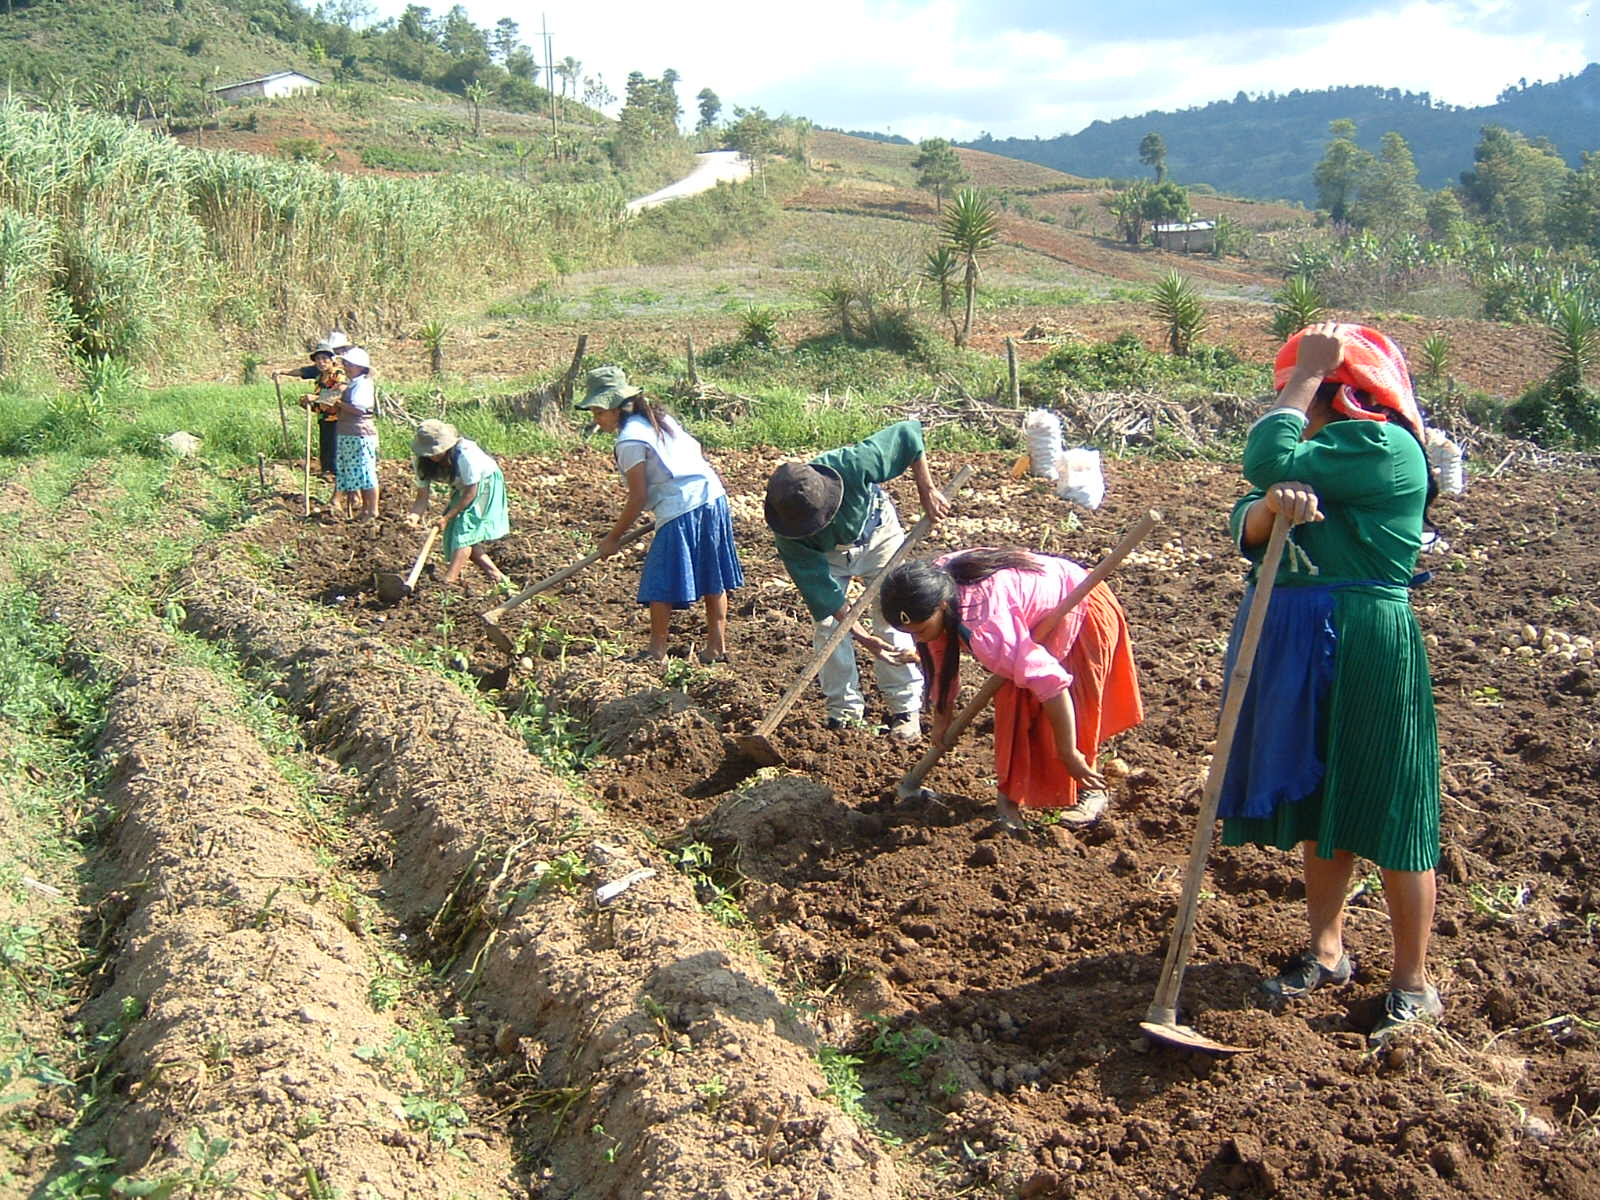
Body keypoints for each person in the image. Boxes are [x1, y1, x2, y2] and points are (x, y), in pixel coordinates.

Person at [1219, 320, 1442, 1046]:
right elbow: (1243, 514)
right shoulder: (1321, 456)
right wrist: (1265, 509)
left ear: (1344, 392)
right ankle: (1327, 950)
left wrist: (1308, 371)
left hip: (1363, 637)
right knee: (1323, 797)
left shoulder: (1381, 446)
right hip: (1300, 633)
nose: (1294, 400)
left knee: (1393, 805)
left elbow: (1263, 453)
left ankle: (1412, 984)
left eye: (1304, 388)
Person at [881, 549, 1143, 827]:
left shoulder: (987, 630)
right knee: (1014, 706)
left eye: (920, 630)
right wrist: (941, 718)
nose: (916, 639)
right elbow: (939, 656)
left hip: (1078, 602)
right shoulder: (929, 587)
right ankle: (1008, 801)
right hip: (1029, 614)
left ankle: (1090, 789)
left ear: (943, 606)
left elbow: (1053, 685)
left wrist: (1068, 752)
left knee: (1074, 710)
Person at [764, 421, 949, 740]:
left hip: (878, 534)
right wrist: (865, 640)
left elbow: (909, 434)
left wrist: (927, 489)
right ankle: (845, 715)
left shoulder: (852, 464)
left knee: (894, 619)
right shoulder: (788, 531)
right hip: (828, 557)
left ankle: (905, 709)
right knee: (829, 628)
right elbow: (827, 598)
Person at [577, 366, 743, 662]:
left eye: (598, 411)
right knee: (711, 574)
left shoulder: (629, 440)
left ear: (616, 409)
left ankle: (657, 650)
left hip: (682, 505)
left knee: (660, 579)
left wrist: (612, 538)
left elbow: (638, 496)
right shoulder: (657, 419)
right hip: (711, 496)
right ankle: (716, 648)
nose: (596, 419)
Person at [407, 420, 510, 587]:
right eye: (429, 453)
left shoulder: (465, 454)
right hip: (463, 487)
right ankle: (495, 574)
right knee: (459, 531)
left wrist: (446, 517)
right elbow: (422, 496)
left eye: (438, 451)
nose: (433, 456)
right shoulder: (421, 462)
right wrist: (413, 516)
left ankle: (449, 581)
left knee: (464, 532)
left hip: (484, 483)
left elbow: (471, 492)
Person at [271, 341, 344, 477]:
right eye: (318, 360)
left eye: (324, 359)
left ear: (332, 360)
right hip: (324, 416)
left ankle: (336, 476)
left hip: (338, 417)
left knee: (334, 447)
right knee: (325, 446)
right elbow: (301, 371)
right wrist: (281, 371)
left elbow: (338, 394)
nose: (321, 362)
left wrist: (315, 398)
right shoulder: (319, 372)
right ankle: (326, 472)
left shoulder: (338, 374)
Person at [333, 347, 379, 522]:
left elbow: (360, 410)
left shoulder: (362, 384)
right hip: (349, 431)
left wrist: (338, 403)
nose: (346, 367)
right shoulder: (354, 383)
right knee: (356, 471)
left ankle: (372, 510)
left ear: (360, 367)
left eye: (349, 364)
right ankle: (365, 510)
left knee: (365, 471)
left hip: (359, 432)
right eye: (345, 363)